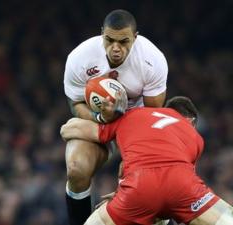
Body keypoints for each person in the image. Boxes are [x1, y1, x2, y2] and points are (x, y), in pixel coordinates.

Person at [60, 96, 233, 225]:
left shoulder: (132, 116)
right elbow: (175, 182)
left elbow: (69, 129)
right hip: (181, 186)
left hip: (138, 189)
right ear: (191, 121)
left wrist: (99, 117)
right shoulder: (195, 136)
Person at [63, 9, 168, 225]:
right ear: (102, 34)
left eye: (124, 42)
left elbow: (152, 115)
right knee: (76, 169)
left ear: (135, 38)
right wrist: (101, 117)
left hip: (138, 126)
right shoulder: (80, 58)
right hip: (99, 122)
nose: (116, 48)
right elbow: (75, 104)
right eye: (109, 40)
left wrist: (127, 179)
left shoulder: (152, 60)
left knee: (152, 183)